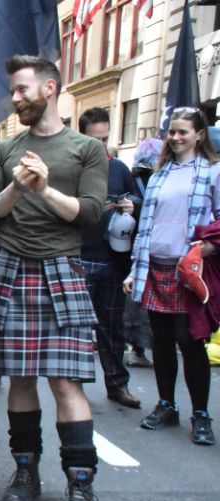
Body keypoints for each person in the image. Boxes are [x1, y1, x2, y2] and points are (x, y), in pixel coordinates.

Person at [0, 56, 106, 501]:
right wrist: (16, 186)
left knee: (66, 382)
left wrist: (45, 189)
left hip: (61, 269)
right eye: (13, 91)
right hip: (9, 267)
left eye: (23, 89)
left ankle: (81, 485)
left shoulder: (86, 148)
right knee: (20, 379)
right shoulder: (5, 150)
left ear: (49, 88)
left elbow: (90, 215)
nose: (15, 98)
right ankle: (25, 473)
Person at [123, 106, 219, 446]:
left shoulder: (213, 172)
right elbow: (146, 227)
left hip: (189, 271)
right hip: (155, 267)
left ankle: (201, 415)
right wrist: (136, 269)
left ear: (199, 134)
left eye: (183, 132)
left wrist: (206, 248)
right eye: (172, 132)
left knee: (191, 343)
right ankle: (166, 405)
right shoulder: (160, 173)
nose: (176, 138)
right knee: (161, 342)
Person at [77, 107, 141, 408]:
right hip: (80, 257)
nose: (101, 146)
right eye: (95, 140)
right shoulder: (72, 167)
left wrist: (130, 205)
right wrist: (88, 208)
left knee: (112, 328)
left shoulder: (119, 168)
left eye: (105, 138)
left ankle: (117, 385)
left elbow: (136, 196)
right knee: (76, 331)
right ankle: (73, 393)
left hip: (113, 260)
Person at [123, 137, 164, 368]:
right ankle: (143, 348)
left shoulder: (133, 177)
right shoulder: (158, 178)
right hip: (153, 246)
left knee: (134, 300)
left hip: (130, 243)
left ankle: (136, 348)